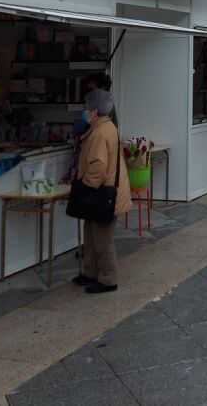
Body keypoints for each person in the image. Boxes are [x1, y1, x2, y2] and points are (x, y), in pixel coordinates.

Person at [74, 89, 132, 293]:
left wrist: (86, 188)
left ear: (94, 110)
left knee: (101, 238)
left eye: (87, 108)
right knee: (90, 234)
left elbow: (98, 166)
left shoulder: (99, 133)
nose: (85, 112)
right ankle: (90, 271)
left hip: (102, 193)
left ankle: (108, 279)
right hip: (106, 191)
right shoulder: (107, 127)